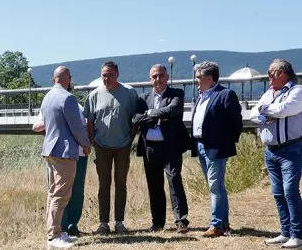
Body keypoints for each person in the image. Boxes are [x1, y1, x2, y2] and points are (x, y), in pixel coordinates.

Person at [83, 61, 143, 234]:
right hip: (101, 146)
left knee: (121, 183)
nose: (106, 78)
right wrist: (92, 139)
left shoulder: (129, 93)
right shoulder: (94, 95)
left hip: (123, 145)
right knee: (103, 185)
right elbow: (90, 120)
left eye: (109, 74)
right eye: (104, 75)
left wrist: (131, 138)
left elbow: (135, 118)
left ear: (117, 74)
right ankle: (103, 223)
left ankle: (119, 222)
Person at [250, 58, 302, 249]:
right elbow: (253, 114)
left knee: (290, 191)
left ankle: (298, 235)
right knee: (278, 192)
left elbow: (286, 109)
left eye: (271, 72)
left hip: (291, 149)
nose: (268, 76)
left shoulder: (297, 91)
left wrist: (266, 110)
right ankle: (285, 232)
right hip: (271, 151)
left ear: (282, 73)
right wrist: (267, 113)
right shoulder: (269, 93)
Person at [133, 64, 191, 233]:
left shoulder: (176, 94)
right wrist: (160, 117)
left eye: (160, 76)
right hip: (150, 148)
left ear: (167, 77)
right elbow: (136, 118)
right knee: (154, 185)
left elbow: (173, 110)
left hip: (170, 147)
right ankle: (157, 222)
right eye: (154, 77)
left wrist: (150, 114)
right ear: (150, 79)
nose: (157, 79)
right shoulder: (142, 98)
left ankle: (181, 220)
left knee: (174, 180)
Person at [190, 61, 243, 237]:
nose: (196, 80)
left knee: (215, 186)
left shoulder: (225, 94)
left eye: (199, 77)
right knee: (216, 186)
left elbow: (236, 122)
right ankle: (223, 222)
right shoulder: (201, 95)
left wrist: (227, 141)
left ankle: (217, 225)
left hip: (216, 147)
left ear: (210, 78)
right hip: (201, 145)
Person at [40, 66, 90, 249]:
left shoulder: (47, 97)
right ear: (68, 79)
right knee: (61, 195)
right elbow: (77, 127)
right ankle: (54, 237)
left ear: (54, 79)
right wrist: (86, 144)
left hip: (50, 150)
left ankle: (56, 232)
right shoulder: (68, 98)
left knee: (53, 193)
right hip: (64, 152)